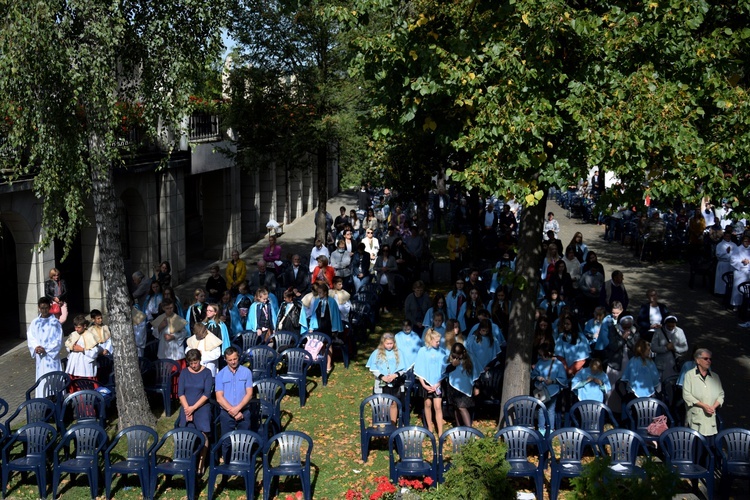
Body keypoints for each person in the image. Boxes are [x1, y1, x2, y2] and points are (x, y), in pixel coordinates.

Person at [215, 347, 254, 463]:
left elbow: (249, 393)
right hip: (227, 413)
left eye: (235, 359)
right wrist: (232, 410)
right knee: (227, 441)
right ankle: (226, 467)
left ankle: (245, 465)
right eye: (230, 360)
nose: (233, 362)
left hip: (244, 411)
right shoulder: (220, 375)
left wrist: (238, 408)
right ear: (225, 360)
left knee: (244, 440)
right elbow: (219, 397)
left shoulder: (246, 372)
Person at [178, 349, 213, 475]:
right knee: (186, 435)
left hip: (201, 407)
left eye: (196, 362)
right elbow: (180, 393)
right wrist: (187, 409)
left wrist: (193, 408)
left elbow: (207, 394)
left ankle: (201, 464)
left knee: (203, 434)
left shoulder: (207, 373)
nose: (194, 365)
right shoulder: (184, 373)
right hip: (187, 407)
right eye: (191, 363)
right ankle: (187, 461)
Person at [682, 348, 724, 441]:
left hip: (710, 420)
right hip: (695, 420)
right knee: (696, 448)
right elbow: (686, 395)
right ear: (697, 360)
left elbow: (721, 394)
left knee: (709, 449)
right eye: (706, 359)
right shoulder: (689, 375)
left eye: (710, 359)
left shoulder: (715, 377)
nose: (709, 361)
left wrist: (714, 406)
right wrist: (703, 406)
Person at [366, 333, 406, 424]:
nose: (389, 346)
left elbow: (403, 368)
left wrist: (395, 375)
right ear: (383, 343)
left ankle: (393, 424)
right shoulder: (377, 353)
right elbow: (373, 368)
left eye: (391, 343)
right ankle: (383, 424)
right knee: (383, 403)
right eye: (387, 344)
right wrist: (382, 377)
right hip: (382, 383)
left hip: (395, 382)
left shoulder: (399, 352)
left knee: (393, 403)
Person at [414, 328, 448, 436]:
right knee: (427, 404)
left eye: (439, 341)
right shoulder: (422, 351)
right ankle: (429, 427)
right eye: (436, 341)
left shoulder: (442, 352)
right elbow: (419, 368)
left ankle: (440, 431)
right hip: (426, 382)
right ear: (430, 340)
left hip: (437, 383)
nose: (438, 343)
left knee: (438, 406)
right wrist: (424, 384)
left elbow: (444, 369)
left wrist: (438, 383)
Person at [27, 297, 63, 397]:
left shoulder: (55, 323)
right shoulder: (35, 322)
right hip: (41, 358)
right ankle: (44, 402)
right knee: (42, 380)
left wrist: (46, 349)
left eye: (46, 307)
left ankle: (56, 400)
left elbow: (58, 340)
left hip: (52, 358)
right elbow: (31, 337)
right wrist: (36, 347)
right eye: (42, 308)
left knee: (54, 380)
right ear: (39, 308)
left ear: (50, 307)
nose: (44, 310)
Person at [531, 343, 567, 435]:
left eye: (543, 354)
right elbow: (533, 374)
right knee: (541, 410)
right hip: (541, 390)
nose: (541, 356)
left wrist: (553, 381)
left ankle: (550, 429)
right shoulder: (539, 362)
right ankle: (541, 429)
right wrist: (538, 378)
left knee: (551, 410)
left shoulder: (558, 364)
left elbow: (563, 379)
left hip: (553, 391)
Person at [444, 343, 477, 427]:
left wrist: (476, 386)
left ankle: (469, 430)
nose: (457, 357)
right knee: (456, 407)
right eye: (455, 355)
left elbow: (476, 373)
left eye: (459, 355)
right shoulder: (449, 359)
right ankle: (459, 428)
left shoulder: (470, 359)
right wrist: (452, 365)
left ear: (463, 353)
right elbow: (444, 371)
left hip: (465, 386)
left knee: (462, 407)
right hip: (453, 386)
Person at [620, 339, 661, 405]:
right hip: (647, 398)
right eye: (648, 350)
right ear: (643, 350)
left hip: (633, 397)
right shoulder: (650, 362)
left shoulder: (633, 361)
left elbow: (627, 379)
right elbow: (655, 380)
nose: (649, 352)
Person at [650, 315, 689, 381]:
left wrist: (675, 348)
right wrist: (665, 348)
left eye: (672, 326)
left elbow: (685, 347)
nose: (671, 328)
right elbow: (653, 347)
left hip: (674, 363)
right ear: (665, 324)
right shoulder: (658, 332)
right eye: (669, 326)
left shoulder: (680, 331)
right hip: (661, 363)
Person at [64, 315, 99, 387]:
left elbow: (94, 353)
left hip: (85, 366)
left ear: (85, 326)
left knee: (85, 386)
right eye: (75, 327)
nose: (76, 329)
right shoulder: (74, 334)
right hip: (74, 365)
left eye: (79, 327)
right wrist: (72, 348)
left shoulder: (90, 336)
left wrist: (82, 349)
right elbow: (67, 347)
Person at [152, 299, 189, 365]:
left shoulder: (178, 319)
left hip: (176, 351)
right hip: (164, 349)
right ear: (163, 308)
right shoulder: (160, 318)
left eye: (171, 308)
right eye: (167, 308)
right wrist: (160, 326)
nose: (170, 310)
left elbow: (184, 333)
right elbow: (154, 334)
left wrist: (173, 336)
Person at [373, 245, 398, 313]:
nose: (385, 252)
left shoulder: (392, 258)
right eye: (384, 250)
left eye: (386, 251)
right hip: (380, 279)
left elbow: (396, 268)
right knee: (380, 294)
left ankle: (386, 307)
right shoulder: (379, 258)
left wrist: (388, 269)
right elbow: (375, 267)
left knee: (387, 294)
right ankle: (381, 307)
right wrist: (381, 268)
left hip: (389, 280)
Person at [731, 235, 750, 313]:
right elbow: (732, 260)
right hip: (739, 272)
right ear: (742, 241)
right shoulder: (737, 249)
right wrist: (742, 262)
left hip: (748, 272)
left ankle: (747, 305)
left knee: (748, 290)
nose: (747, 243)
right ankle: (736, 305)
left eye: (748, 241)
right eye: (745, 241)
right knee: (737, 289)